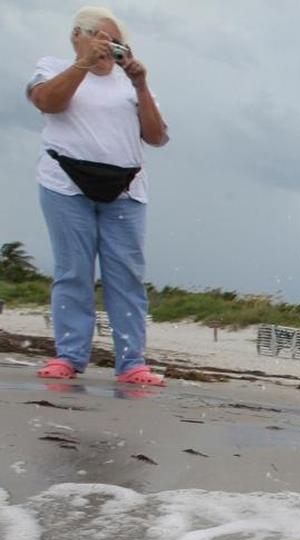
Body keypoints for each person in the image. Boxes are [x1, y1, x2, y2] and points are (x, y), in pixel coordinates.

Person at [27, 6, 169, 387]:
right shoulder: (53, 66)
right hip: (65, 183)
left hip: (125, 188)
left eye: (114, 40)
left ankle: (132, 362)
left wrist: (140, 85)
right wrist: (83, 66)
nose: (106, 46)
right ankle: (70, 356)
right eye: (98, 36)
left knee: (126, 274)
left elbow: (156, 137)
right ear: (77, 36)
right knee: (73, 270)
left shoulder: (129, 83)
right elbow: (47, 102)